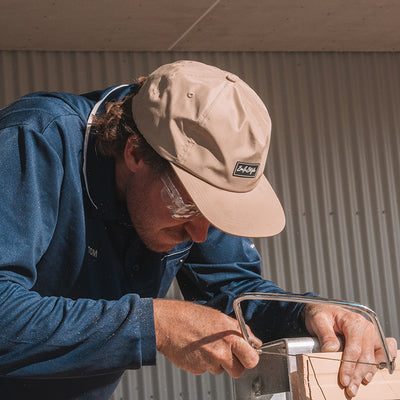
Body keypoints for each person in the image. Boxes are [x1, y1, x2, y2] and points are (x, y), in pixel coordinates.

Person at [0, 60, 396, 400]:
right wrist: (154, 323)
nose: (202, 234)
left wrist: (308, 314)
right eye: (189, 205)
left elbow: (233, 292)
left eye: (218, 212)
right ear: (135, 152)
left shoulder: (187, 199)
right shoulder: (35, 141)